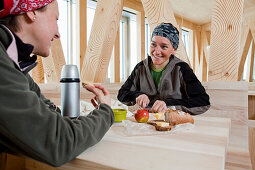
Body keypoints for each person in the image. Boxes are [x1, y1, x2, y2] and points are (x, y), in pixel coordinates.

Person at [0, 0, 114, 167]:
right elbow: (58, 140)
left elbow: (52, 116)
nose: (58, 33)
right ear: (32, 12)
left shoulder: (14, 64)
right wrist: (105, 111)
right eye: (56, 19)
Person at [118, 23, 210, 114]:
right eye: (153, 44)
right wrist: (137, 95)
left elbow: (203, 102)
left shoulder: (182, 68)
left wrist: (169, 104)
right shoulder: (140, 68)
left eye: (164, 46)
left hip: (174, 123)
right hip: (146, 121)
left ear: (174, 49)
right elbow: (122, 94)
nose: (156, 52)